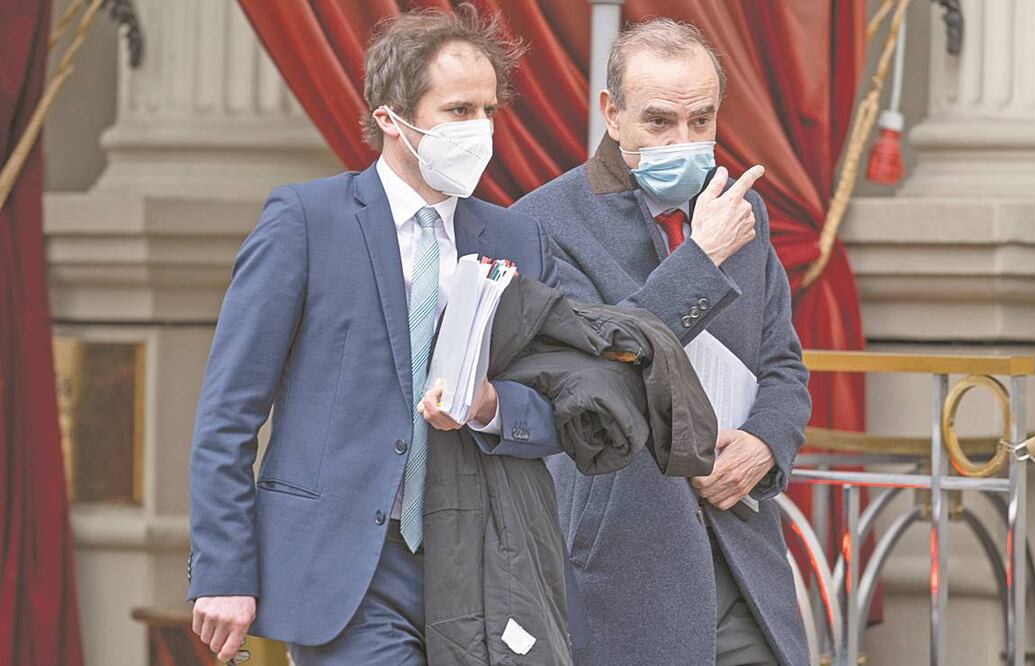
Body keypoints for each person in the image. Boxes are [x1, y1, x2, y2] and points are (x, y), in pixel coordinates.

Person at [186, 6, 560, 664]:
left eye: (487, 110)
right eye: (457, 111)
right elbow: (228, 409)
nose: (479, 130)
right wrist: (223, 570)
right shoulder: (305, 220)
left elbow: (555, 398)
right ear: (390, 117)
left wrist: (496, 409)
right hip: (344, 568)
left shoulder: (515, 239)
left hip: (476, 567)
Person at [513, 18, 813, 666]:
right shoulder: (540, 223)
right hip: (624, 557)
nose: (684, 141)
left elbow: (783, 365)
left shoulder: (740, 212)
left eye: (700, 121)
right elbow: (597, 369)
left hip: (740, 549)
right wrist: (700, 259)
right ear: (611, 114)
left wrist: (765, 442)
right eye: (659, 122)